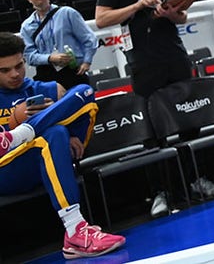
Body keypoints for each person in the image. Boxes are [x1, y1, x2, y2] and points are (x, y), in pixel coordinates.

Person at [95, 0, 214, 210]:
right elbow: (102, 19)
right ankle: (161, 191)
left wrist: (171, 13)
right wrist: (138, 5)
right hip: (142, 60)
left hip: (174, 55)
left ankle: (194, 178)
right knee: (152, 129)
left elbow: (182, 17)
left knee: (189, 118)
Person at [0, 32, 126, 259]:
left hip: (43, 160)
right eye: (5, 70)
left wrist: (64, 131)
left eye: (19, 66)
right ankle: (76, 231)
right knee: (54, 133)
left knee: (83, 92)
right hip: (5, 171)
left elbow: (82, 104)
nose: (15, 74)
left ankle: (19, 135)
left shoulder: (46, 88)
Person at [19, 0, 98, 89]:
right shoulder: (27, 26)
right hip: (46, 75)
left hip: (72, 71)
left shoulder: (67, 13)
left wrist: (87, 62)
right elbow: (29, 56)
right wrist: (50, 58)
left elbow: (90, 39)